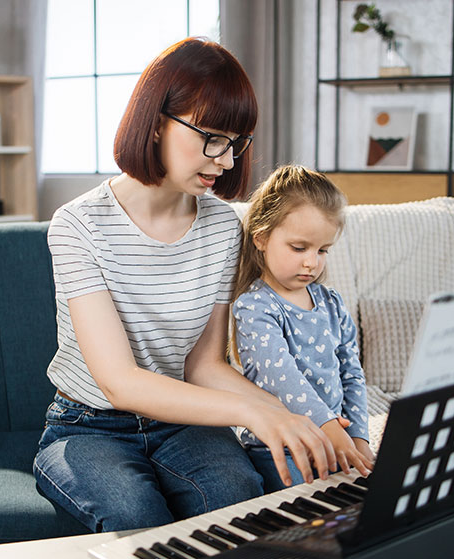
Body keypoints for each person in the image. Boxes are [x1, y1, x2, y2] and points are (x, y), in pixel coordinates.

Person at [33, 39, 337, 533]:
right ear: (156, 122)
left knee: (238, 502)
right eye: (212, 138)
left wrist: (291, 416)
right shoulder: (78, 225)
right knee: (134, 517)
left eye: (236, 143)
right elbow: (119, 381)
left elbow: (203, 365)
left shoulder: (222, 227)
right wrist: (249, 410)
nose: (226, 160)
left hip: (184, 422)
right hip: (88, 425)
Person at [231, 165, 374, 493]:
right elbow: (286, 380)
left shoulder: (330, 302)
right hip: (280, 449)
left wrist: (359, 438)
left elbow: (352, 372)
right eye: (299, 248)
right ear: (262, 238)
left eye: (323, 250)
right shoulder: (256, 307)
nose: (312, 262)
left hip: (334, 439)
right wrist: (329, 429)